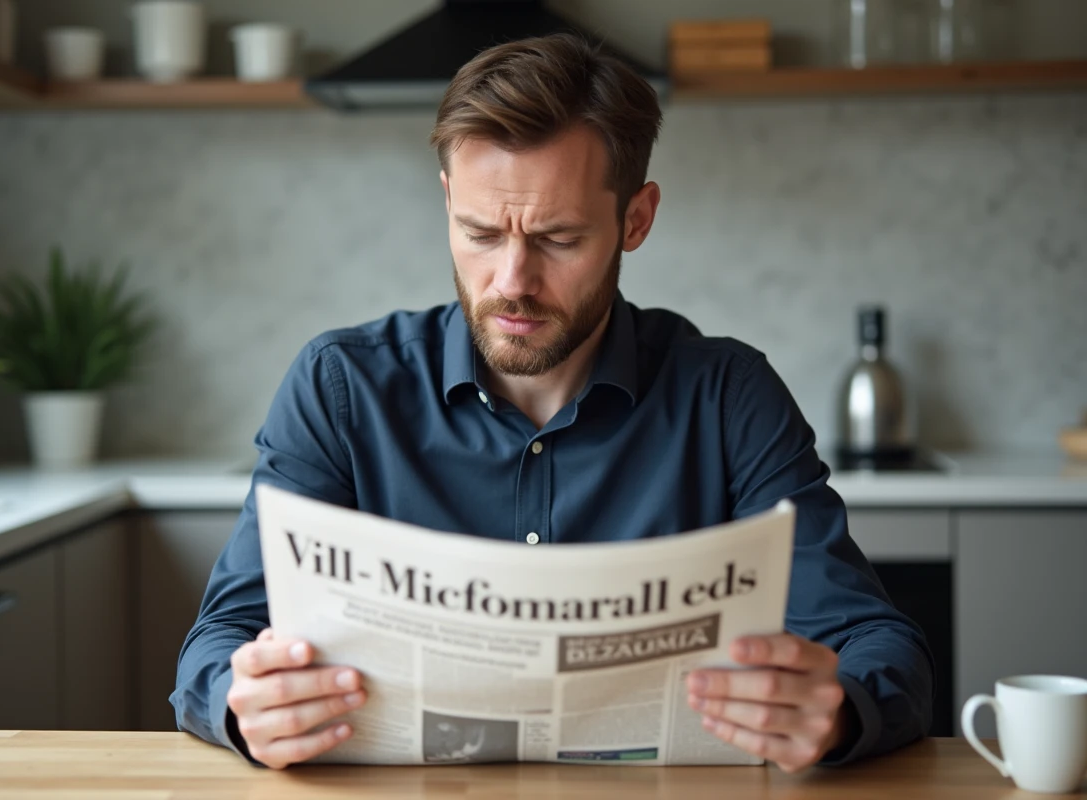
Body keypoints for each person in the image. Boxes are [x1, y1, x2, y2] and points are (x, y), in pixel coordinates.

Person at [172, 33, 934, 773]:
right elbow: (219, 642)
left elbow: (879, 643)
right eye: (478, 232)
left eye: (558, 238)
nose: (511, 280)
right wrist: (245, 706)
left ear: (635, 220)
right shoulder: (340, 389)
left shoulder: (728, 398)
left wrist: (835, 710)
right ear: (446, 201)